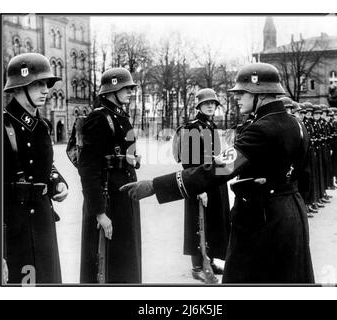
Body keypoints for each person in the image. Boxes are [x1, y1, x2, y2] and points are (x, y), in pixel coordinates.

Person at [121, 63, 315, 283]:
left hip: (263, 220)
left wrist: (156, 185)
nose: (237, 98)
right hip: (292, 215)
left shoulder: (262, 128)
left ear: (259, 93)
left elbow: (220, 168)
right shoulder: (297, 124)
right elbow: (306, 177)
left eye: (242, 92)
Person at [3, 53, 68, 284]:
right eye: (38, 84)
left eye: (46, 84)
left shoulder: (41, 125)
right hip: (15, 228)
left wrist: (59, 181)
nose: (45, 90)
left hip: (42, 220)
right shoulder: (2, 126)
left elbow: (47, 165)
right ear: (19, 88)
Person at [78, 67, 142, 283]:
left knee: (126, 261)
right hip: (108, 200)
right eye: (125, 87)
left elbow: (129, 150)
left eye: (131, 87)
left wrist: (132, 158)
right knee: (107, 267)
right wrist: (99, 212)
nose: (130, 91)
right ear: (111, 90)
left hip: (124, 198)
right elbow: (88, 169)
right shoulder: (98, 118)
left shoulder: (121, 116)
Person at [178, 88, 230, 282]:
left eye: (213, 103)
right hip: (199, 182)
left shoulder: (211, 125)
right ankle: (198, 266)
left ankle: (211, 259)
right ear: (198, 105)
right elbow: (188, 162)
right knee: (197, 223)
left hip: (214, 180)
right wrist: (199, 188)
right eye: (206, 103)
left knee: (213, 221)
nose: (211, 106)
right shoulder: (193, 127)